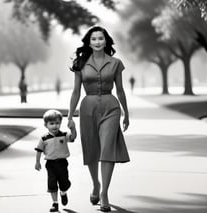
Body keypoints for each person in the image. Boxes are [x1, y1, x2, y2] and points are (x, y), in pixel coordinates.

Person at [67, 26, 130, 212]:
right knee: (92, 149)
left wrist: (126, 112)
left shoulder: (116, 63)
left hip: (111, 108)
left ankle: (104, 194)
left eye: (100, 38)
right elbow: (76, 91)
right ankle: (95, 184)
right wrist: (69, 116)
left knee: (107, 149)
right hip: (87, 109)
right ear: (89, 42)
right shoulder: (80, 63)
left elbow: (120, 90)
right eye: (93, 39)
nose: (97, 42)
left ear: (106, 41)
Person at [35, 109, 77, 212]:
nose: (55, 126)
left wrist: (73, 128)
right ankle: (55, 203)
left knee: (64, 183)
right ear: (46, 125)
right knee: (52, 184)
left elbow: (72, 137)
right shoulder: (44, 138)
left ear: (60, 123)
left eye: (57, 123)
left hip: (62, 163)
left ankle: (63, 192)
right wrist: (37, 162)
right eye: (52, 123)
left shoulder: (63, 134)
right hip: (51, 164)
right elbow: (39, 150)